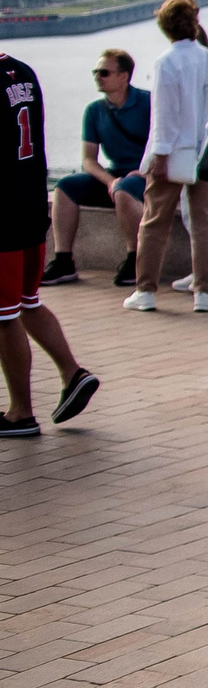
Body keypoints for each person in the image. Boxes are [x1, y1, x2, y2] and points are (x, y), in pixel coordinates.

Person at [2, 54, 101, 437]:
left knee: (4, 317)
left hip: (3, 219)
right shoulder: (21, 71)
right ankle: (72, 372)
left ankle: (20, 413)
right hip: (29, 206)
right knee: (27, 303)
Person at [126, 0, 208, 315]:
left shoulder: (166, 61)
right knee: (204, 225)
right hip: (204, 150)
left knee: (154, 223)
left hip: (173, 152)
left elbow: (164, 114)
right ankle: (204, 291)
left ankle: (146, 290)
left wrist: (160, 154)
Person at [40, 49, 148, 287]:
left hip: (144, 175)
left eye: (104, 72)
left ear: (124, 76)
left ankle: (134, 259)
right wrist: (109, 180)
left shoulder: (148, 103)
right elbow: (88, 159)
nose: (98, 77)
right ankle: (63, 260)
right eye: (96, 72)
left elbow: (165, 143)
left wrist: (145, 170)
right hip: (117, 175)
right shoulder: (94, 111)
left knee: (125, 190)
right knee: (66, 187)